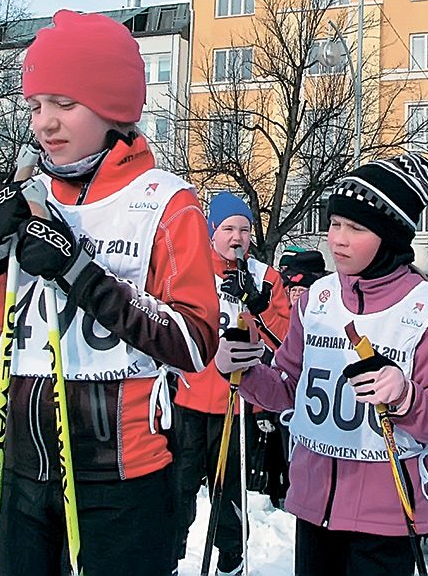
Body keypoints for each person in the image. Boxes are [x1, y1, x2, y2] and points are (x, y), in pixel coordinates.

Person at [0, 10, 218, 576]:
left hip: (119, 478)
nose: (45, 123)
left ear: (110, 106)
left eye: (64, 104)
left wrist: (80, 272)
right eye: (35, 106)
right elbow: (8, 329)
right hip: (22, 468)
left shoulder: (165, 201)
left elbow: (194, 342)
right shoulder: (31, 196)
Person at [227, 153, 428, 576]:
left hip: (386, 511)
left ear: (390, 236)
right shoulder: (317, 299)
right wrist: (244, 369)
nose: (337, 238)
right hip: (314, 500)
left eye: (356, 228)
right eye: (335, 223)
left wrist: (406, 397)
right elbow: (287, 388)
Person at [171, 191, 290, 575]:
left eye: (244, 229)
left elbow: (286, 342)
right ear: (212, 233)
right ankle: (169, 556)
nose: (237, 237)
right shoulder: (191, 269)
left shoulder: (264, 277)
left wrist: (257, 305)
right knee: (178, 489)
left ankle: (232, 560)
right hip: (188, 399)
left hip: (237, 403)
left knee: (231, 494)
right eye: (228, 229)